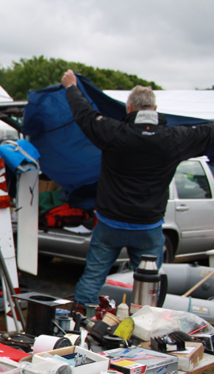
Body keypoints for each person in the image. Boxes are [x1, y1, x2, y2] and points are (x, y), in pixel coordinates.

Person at [61, 69, 214, 307]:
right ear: (155, 110)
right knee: (149, 284)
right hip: (149, 226)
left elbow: (85, 115)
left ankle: (80, 323)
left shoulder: (114, 132)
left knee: (93, 278)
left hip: (110, 223)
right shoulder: (174, 138)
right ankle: (147, 329)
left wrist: (72, 87)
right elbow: (209, 132)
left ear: (129, 109)